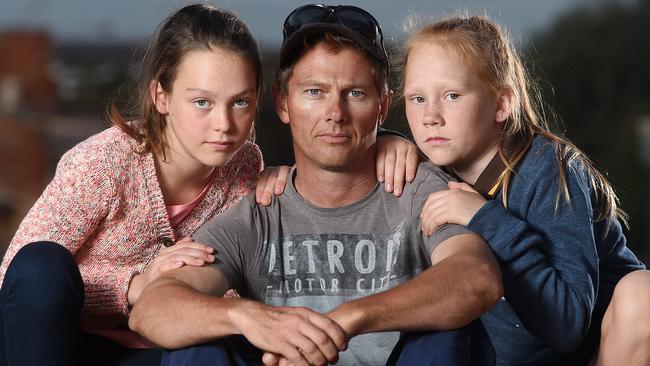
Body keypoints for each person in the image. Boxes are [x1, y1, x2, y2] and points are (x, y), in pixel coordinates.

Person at [0, 4, 417, 366]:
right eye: (202, 102)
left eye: (240, 102)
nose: (224, 124)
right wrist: (133, 286)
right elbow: (19, 282)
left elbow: (239, 284)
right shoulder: (103, 163)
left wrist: (385, 141)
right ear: (161, 96)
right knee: (42, 262)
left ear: (261, 100)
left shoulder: (245, 168)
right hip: (66, 348)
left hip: (164, 354)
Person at [129, 4, 502, 366]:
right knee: (197, 341)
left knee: (451, 330)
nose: (335, 114)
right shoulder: (259, 211)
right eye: (314, 92)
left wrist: (347, 319)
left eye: (355, 93)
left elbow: (477, 277)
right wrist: (245, 316)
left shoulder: (419, 189)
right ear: (283, 103)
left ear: (383, 107)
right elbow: (152, 310)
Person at [401, 15, 648, 365]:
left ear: (502, 104)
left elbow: (566, 326)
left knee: (643, 294)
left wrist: (483, 217)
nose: (430, 117)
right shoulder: (423, 174)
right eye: (416, 99)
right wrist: (384, 144)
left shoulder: (551, 171)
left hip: (594, 352)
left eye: (452, 95)